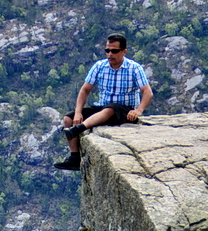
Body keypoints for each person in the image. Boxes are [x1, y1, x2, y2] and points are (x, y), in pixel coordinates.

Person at [54, 34, 153, 170]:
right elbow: (85, 90)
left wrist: (138, 111)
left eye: (114, 51)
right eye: (107, 50)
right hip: (102, 107)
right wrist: (77, 113)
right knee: (67, 119)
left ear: (124, 51)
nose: (110, 54)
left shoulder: (134, 68)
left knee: (110, 109)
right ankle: (74, 158)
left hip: (124, 109)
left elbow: (147, 92)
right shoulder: (100, 66)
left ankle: (79, 129)